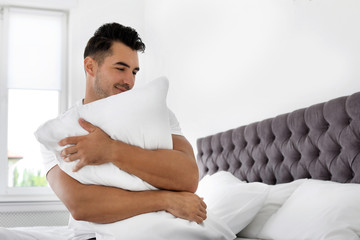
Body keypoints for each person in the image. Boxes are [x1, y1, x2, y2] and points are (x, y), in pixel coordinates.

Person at [44, 22, 207, 225]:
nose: (129, 81)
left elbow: (188, 178)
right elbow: (81, 206)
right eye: (121, 68)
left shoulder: (157, 114)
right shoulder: (60, 130)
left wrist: (110, 150)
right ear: (90, 66)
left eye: (134, 72)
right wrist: (167, 199)